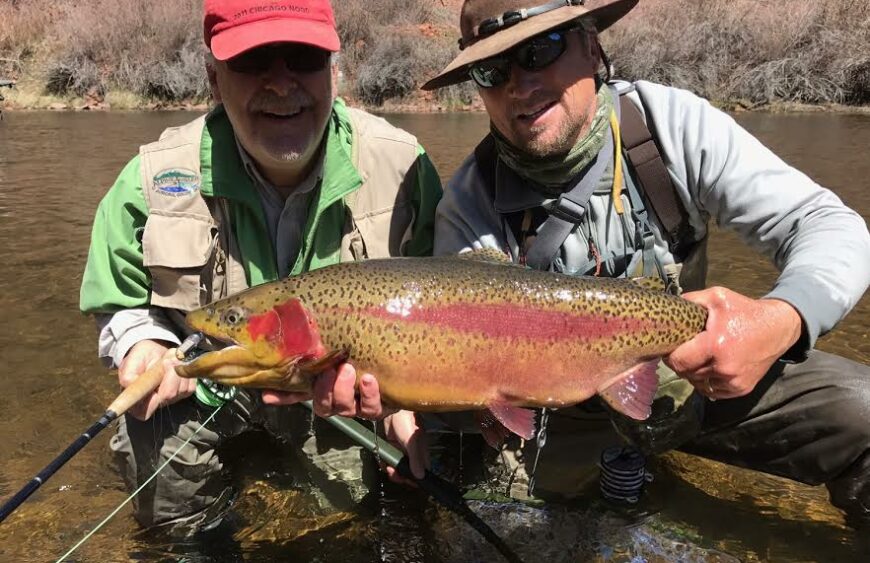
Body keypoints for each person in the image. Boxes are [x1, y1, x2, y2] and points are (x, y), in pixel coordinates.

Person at [382, 0, 870, 539]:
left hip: (699, 376)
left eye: (540, 50)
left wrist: (781, 319)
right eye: (492, 70)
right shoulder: (468, 203)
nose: (519, 84)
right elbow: (468, 360)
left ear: (592, 46)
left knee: (863, 414)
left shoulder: (670, 127)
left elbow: (829, 226)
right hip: (561, 409)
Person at [79, 0, 441, 535]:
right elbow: (117, 298)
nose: (281, 83)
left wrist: (404, 401)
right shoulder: (151, 180)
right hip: (210, 389)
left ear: (333, 72)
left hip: (334, 394)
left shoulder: (404, 168)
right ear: (212, 77)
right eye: (252, 62)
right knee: (152, 462)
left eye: (302, 57)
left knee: (343, 518)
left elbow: (453, 312)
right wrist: (141, 343)